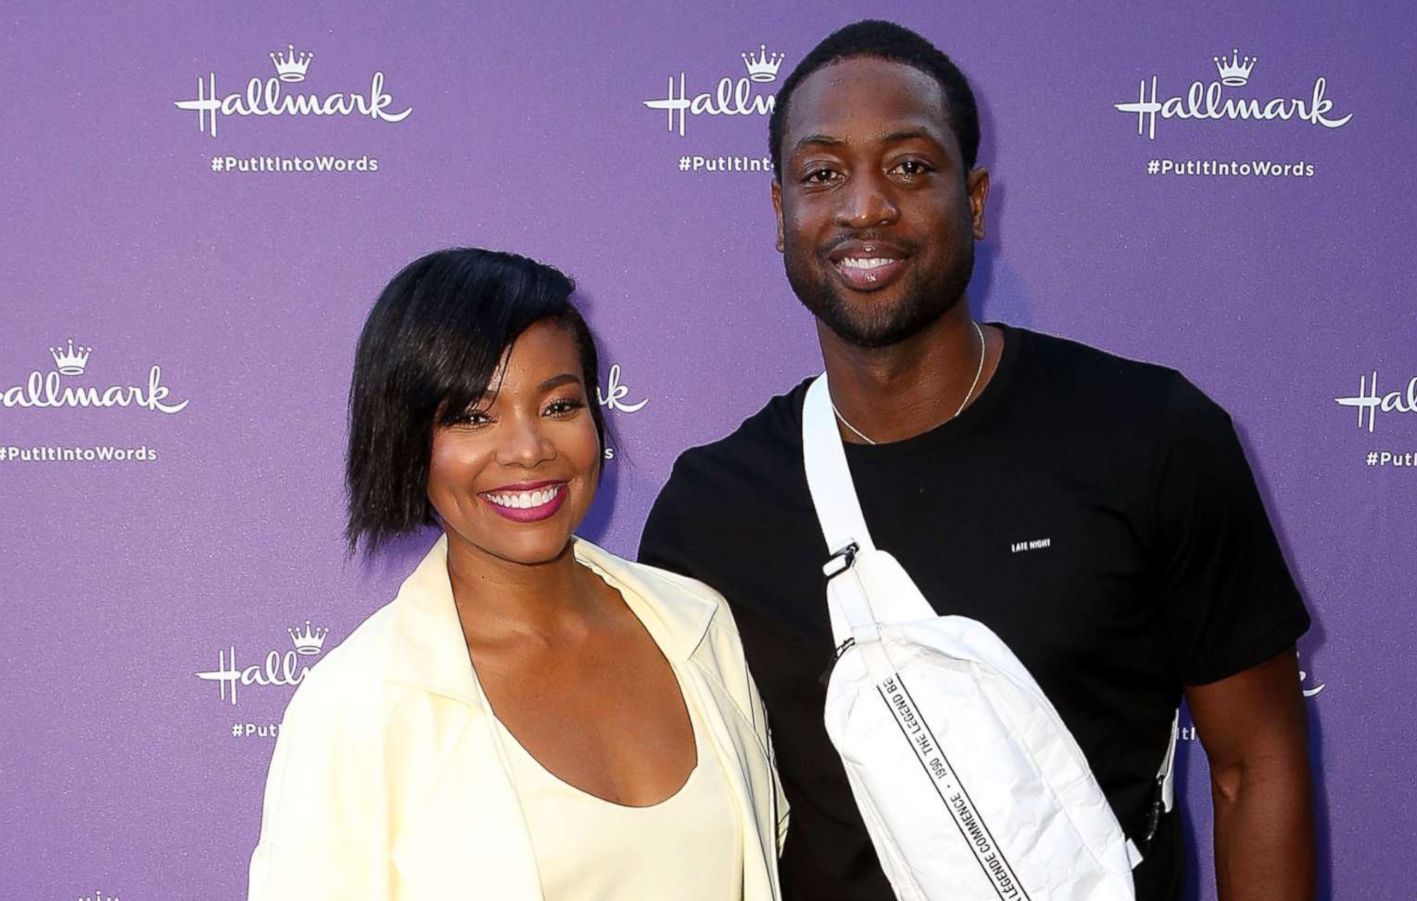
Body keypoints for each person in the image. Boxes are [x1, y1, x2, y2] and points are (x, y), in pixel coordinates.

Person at [640, 20, 1314, 901]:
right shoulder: (711, 511)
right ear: (780, 214)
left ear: (978, 199)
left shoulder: (1150, 435)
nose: (865, 206)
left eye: (911, 166)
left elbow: (1254, 765)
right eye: (822, 173)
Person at [248, 248, 785, 900]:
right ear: (408, 443)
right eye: (474, 416)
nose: (529, 449)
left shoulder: (697, 626)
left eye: (559, 405)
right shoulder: (356, 708)